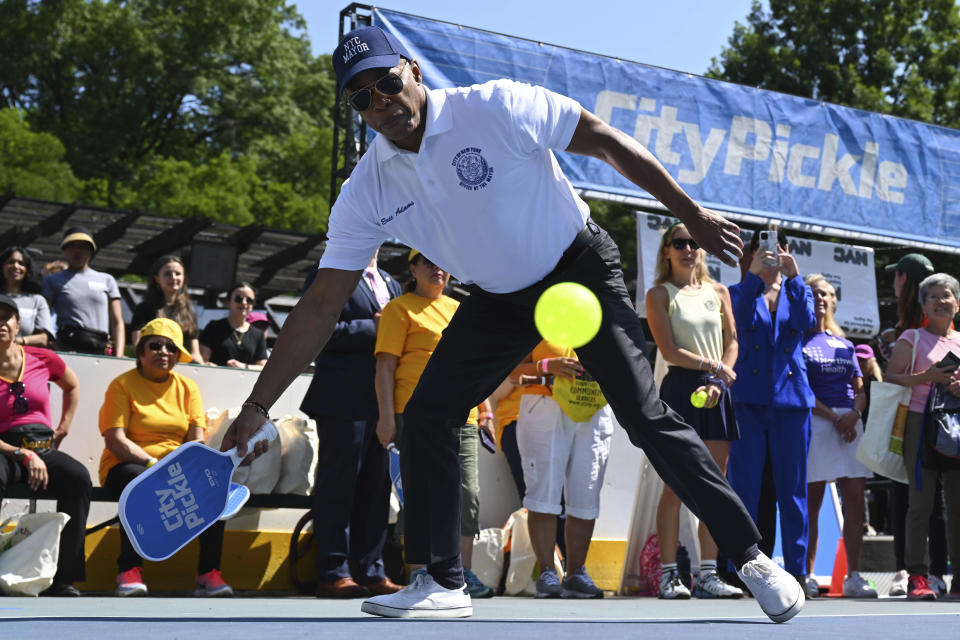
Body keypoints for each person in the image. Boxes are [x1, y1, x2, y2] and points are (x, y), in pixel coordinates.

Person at [222, 25, 802, 622]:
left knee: (643, 413)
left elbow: (604, 140)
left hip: (579, 271)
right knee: (426, 415)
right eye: (361, 98)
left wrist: (691, 213)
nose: (381, 102)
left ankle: (753, 558)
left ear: (413, 71)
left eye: (387, 82)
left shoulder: (496, 106)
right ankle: (441, 580)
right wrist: (257, 406)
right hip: (499, 298)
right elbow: (320, 305)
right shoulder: (367, 187)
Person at [374, 249, 495, 599]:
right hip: (412, 415)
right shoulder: (399, 309)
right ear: (412, 268)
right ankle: (421, 575)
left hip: (462, 416)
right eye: (427, 260)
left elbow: (475, 367)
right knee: (420, 494)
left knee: (466, 495)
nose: (437, 267)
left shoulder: (460, 309)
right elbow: (385, 366)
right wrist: (385, 418)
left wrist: (484, 409)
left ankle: (462, 574)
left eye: (443, 261)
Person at [98, 318, 232, 598]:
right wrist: (152, 466)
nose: (164, 352)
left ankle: (209, 573)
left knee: (217, 489)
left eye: (171, 347)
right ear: (141, 352)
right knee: (138, 484)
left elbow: (195, 440)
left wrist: (182, 470)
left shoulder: (188, 388)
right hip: (127, 465)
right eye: (155, 345)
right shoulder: (121, 385)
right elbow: (116, 440)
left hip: (174, 468)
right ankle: (129, 570)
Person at [645, 222, 743, 600]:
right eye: (680, 243)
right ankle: (670, 575)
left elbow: (732, 342)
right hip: (682, 389)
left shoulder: (718, 291)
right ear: (667, 250)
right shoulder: (659, 293)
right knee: (677, 486)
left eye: (695, 242)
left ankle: (708, 575)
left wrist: (720, 380)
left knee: (716, 487)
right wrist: (713, 367)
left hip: (718, 391)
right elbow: (668, 350)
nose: (689, 249)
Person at [301, 251, 404, 598]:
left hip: (383, 401)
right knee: (338, 486)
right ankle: (333, 570)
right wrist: (372, 327)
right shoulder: (330, 271)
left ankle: (371, 570)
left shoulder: (390, 281)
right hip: (342, 397)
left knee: (376, 489)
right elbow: (316, 329)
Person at [727, 227, 816, 597]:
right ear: (749, 255)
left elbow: (806, 322)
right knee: (744, 484)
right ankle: (744, 569)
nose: (771, 253)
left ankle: (797, 571)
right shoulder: (737, 291)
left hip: (792, 400)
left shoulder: (798, 290)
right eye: (762, 248)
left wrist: (794, 278)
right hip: (748, 397)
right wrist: (752, 278)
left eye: (778, 247)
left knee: (792, 489)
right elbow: (740, 319)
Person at [506, 341, 611, 599]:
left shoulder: (606, 311)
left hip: (593, 405)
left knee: (586, 493)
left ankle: (576, 574)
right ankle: (547, 573)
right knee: (543, 493)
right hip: (544, 403)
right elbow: (511, 370)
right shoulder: (537, 311)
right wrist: (547, 366)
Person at [0, 294, 89, 596]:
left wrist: (63, 427)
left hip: (43, 448)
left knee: (77, 477)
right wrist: (21, 454)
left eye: (6, 317)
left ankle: (65, 578)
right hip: (5, 451)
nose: (0, 323)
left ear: (16, 323)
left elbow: (72, 385)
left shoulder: (41, 357)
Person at [883, 273, 960, 601]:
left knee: (958, 506)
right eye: (934, 297)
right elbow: (890, 379)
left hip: (956, 426)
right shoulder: (911, 339)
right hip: (919, 425)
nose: (941, 301)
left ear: (958, 303)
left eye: (947, 295)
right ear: (924, 304)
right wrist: (926, 377)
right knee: (920, 504)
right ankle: (918, 575)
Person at [800, 274, 875, 598]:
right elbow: (801, 388)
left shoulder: (845, 344)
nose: (822, 298)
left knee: (856, 499)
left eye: (828, 294)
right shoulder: (797, 340)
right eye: (816, 293)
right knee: (811, 503)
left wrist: (853, 416)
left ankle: (854, 576)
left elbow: (860, 389)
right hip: (818, 423)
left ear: (834, 301)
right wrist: (833, 418)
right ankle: (807, 574)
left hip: (850, 423)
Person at [42, 227, 125, 356]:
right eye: (72, 246)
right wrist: (55, 347)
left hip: (100, 348)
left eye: (83, 246)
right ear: (64, 250)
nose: (77, 250)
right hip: (67, 346)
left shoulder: (107, 280)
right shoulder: (52, 280)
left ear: (91, 250)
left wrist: (119, 355)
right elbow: (44, 318)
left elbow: (117, 321)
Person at [130, 255, 204, 362]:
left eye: (178, 274)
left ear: (184, 278)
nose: (173, 277)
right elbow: (138, 346)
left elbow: (195, 354)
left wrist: (204, 367)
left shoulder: (189, 312)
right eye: (167, 274)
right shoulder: (144, 309)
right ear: (156, 278)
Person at [199, 282, 268, 369]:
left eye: (249, 300)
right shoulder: (213, 327)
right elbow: (203, 360)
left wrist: (244, 366)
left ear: (253, 304)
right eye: (238, 299)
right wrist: (212, 366)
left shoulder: (258, 335)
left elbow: (263, 366)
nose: (244, 303)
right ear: (228, 302)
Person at [1, 246, 55, 347]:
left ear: (27, 269)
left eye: (21, 263)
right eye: (11, 262)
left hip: (25, 358)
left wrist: (19, 341)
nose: (16, 266)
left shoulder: (37, 301)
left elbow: (44, 338)